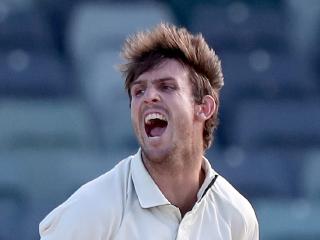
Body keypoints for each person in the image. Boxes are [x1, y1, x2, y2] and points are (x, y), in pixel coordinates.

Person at [39, 23, 259, 240]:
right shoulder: (92, 208)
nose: (148, 97)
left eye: (166, 86)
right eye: (139, 91)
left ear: (204, 108)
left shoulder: (237, 216)